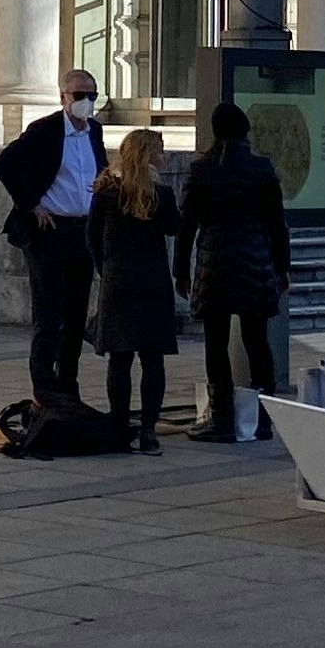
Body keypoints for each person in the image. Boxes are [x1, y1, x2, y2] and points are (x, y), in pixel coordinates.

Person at [0, 68, 109, 408]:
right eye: (78, 95)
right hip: (49, 231)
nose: (85, 102)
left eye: (92, 95)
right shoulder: (45, 130)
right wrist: (32, 204)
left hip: (83, 229)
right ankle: (44, 387)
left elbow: (96, 169)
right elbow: (6, 164)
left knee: (75, 314)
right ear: (63, 98)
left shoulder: (94, 131)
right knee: (49, 315)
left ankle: (68, 385)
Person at [177, 104, 292, 442]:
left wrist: (180, 269)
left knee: (216, 341)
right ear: (246, 130)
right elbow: (277, 223)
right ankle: (264, 420)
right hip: (256, 259)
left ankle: (222, 420)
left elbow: (187, 225)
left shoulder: (202, 170)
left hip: (215, 261)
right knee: (256, 340)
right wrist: (282, 267)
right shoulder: (262, 168)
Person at [87, 129, 185, 454]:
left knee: (120, 358)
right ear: (147, 155)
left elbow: (92, 238)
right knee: (152, 359)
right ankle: (148, 432)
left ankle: (118, 428)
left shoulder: (105, 192)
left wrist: (107, 270)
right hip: (153, 281)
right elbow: (174, 227)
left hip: (118, 281)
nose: (165, 156)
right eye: (160, 150)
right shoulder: (160, 194)